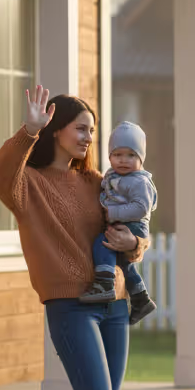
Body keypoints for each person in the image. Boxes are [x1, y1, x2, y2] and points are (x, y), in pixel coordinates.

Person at [0, 85, 150, 390]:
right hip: (70, 306)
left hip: (114, 304)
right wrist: (27, 132)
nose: (88, 138)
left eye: (92, 131)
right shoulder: (28, 185)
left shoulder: (97, 182)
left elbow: (135, 231)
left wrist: (134, 245)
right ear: (56, 130)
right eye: (81, 128)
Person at [79, 121, 158, 326]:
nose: (123, 160)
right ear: (109, 156)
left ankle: (104, 283)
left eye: (131, 155)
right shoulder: (111, 176)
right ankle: (141, 298)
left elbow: (141, 207)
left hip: (133, 224)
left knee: (103, 242)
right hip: (122, 222)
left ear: (141, 158)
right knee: (124, 264)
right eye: (117, 155)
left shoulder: (139, 181)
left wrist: (112, 213)